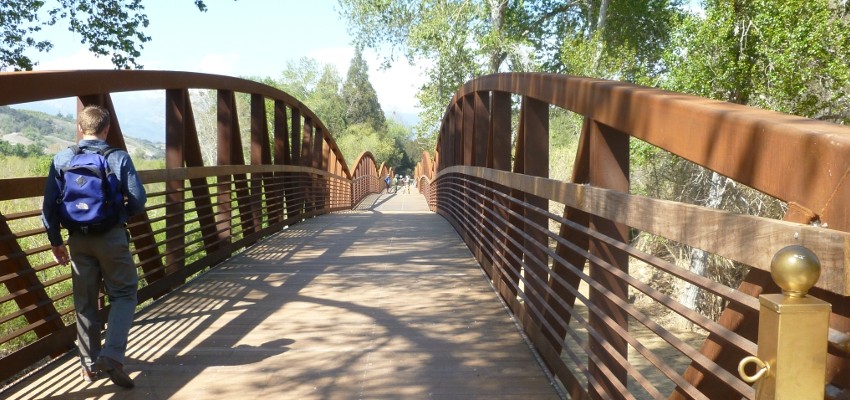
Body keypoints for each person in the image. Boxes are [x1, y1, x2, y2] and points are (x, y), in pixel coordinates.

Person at [42, 105, 147, 389]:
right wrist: (121, 214)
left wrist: (55, 242)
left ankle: (88, 367)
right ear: (107, 129)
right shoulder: (117, 157)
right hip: (111, 237)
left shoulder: (62, 158)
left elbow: (49, 206)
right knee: (124, 294)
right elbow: (138, 199)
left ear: (80, 128)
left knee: (85, 303)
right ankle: (111, 356)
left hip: (77, 240)